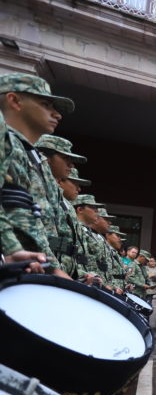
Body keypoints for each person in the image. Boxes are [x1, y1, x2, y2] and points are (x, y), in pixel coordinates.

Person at [0, 73, 74, 277]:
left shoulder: (32, 156)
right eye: (45, 104)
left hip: (32, 265)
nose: (57, 114)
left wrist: (54, 267)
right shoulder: (7, 141)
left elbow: (37, 222)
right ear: (15, 100)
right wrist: (12, 248)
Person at [35, 134, 89, 278]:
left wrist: (81, 275)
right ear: (45, 156)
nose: (71, 165)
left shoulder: (55, 194)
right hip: (36, 268)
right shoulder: (34, 181)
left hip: (55, 271)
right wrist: (54, 269)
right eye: (66, 159)